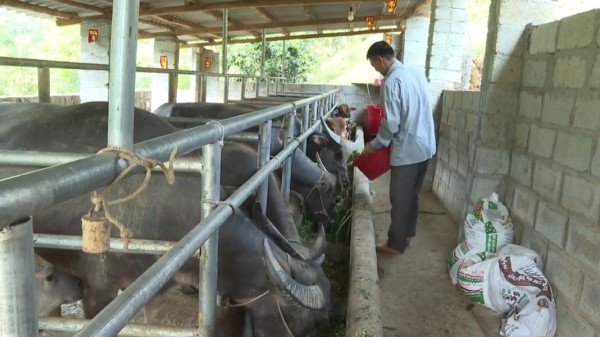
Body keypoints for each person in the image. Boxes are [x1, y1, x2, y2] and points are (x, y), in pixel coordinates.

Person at [361, 41, 436, 255]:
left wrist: (374, 145)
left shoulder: (392, 81)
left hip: (408, 150)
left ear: (381, 60)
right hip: (425, 146)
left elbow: (391, 123)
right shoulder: (416, 73)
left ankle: (395, 243)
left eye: (375, 67)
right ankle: (407, 234)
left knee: (400, 198)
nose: (377, 70)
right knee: (412, 195)